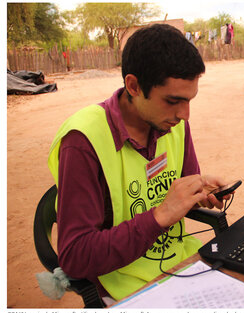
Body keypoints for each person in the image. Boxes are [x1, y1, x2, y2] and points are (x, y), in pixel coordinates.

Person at [47, 23, 230, 302]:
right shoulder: (83, 140)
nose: (185, 114)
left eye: (190, 100)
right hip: (123, 284)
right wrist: (158, 217)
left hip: (181, 264)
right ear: (133, 86)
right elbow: (75, 256)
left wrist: (200, 189)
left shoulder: (174, 124)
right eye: (173, 100)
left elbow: (180, 190)